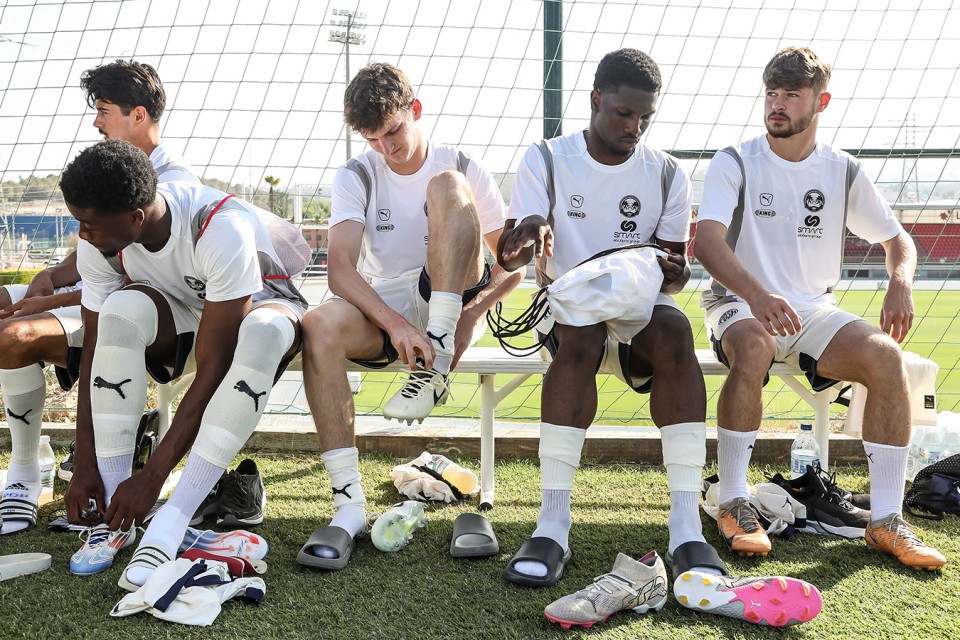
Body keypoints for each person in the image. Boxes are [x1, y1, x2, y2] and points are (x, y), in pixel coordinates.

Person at [497, 49, 821, 627]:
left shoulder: (667, 171)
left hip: (638, 307)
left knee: (674, 328)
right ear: (595, 100)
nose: (634, 127)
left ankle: (685, 526)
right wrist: (527, 235)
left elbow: (673, 271)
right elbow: (515, 246)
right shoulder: (545, 158)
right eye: (623, 113)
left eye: (644, 117)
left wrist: (675, 271)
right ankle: (552, 525)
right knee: (580, 336)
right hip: (569, 306)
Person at [695, 46, 946, 570]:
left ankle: (886, 519)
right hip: (739, 303)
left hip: (813, 310)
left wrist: (900, 281)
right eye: (771, 93)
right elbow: (708, 244)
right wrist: (758, 296)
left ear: (821, 102)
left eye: (791, 94)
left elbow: (897, 239)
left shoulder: (842, 170)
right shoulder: (735, 160)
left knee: (886, 356)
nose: (777, 104)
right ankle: (734, 499)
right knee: (755, 345)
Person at [296, 63, 521, 570]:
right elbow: (339, 270)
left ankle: (435, 356)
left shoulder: (460, 163)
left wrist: (472, 316)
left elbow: (512, 268)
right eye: (372, 139)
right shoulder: (357, 173)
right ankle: (348, 505)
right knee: (318, 324)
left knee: (446, 185)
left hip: (453, 292)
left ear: (414, 110)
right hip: (389, 305)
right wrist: (395, 324)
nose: (386, 148)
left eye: (393, 131)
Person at [58, 139, 306, 590]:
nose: (83, 235)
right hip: (184, 310)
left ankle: (173, 518)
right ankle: (116, 514)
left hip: (258, 305)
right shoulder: (100, 241)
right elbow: (93, 348)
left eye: (88, 224)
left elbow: (216, 365)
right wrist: (86, 463)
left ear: (136, 218)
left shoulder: (219, 227)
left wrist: (155, 477)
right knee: (118, 313)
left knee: (262, 333)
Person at [0, 59, 196, 536]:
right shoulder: (105, 172)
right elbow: (92, 252)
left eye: (104, 111)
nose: (96, 123)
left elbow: (131, 282)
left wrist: (48, 304)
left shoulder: (171, 184)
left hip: (135, 312)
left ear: (138, 115)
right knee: (4, 298)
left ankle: (24, 471)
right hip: (91, 292)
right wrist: (51, 276)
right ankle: (36, 461)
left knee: (11, 335)